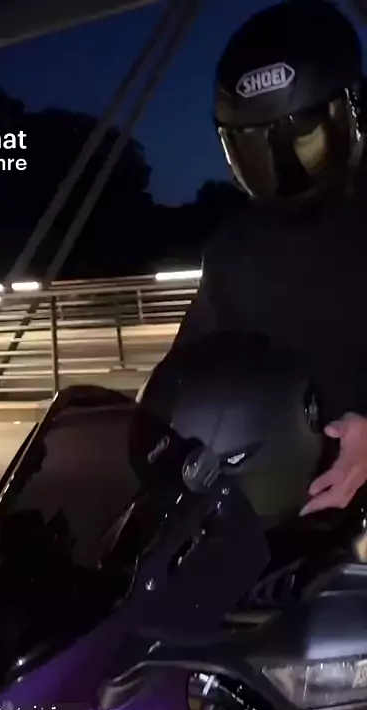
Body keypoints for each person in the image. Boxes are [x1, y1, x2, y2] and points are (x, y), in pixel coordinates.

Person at [172, 0, 367, 516]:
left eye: (304, 139)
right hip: (269, 513)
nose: (284, 168)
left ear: (353, 115)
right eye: (258, 148)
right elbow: (187, 373)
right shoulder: (233, 249)